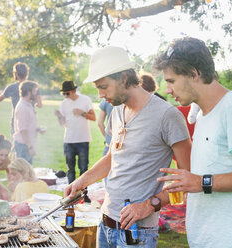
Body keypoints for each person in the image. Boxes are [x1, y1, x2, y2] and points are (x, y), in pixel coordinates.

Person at [64, 46, 191, 248]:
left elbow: (188, 176)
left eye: (103, 87)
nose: (100, 95)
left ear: (123, 78)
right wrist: (82, 180)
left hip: (137, 234)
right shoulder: (117, 110)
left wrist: (150, 205)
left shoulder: (167, 115)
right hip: (105, 223)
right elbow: (113, 156)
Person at [154, 37, 232, 247]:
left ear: (194, 73)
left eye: (171, 81)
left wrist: (202, 182)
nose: (167, 90)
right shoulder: (203, 114)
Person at [54, 80, 96, 203]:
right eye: (64, 94)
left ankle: (84, 195)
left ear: (73, 91)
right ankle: (70, 196)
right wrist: (59, 116)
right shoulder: (64, 103)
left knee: (83, 169)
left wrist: (82, 113)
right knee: (70, 170)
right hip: (68, 140)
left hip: (83, 139)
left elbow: (93, 117)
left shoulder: (85, 100)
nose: (66, 96)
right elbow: (62, 123)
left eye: (67, 93)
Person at [0, 62, 42, 136]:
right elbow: (40, 105)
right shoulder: (34, 86)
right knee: (30, 142)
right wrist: (32, 103)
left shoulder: (12, 87)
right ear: (26, 73)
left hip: (17, 120)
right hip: (30, 118)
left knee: (17, 141)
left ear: (16, 74)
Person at [13, 81, 45, 164]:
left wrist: (37, 129)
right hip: (24, 146)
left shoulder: (28, 104)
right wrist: (30, 147)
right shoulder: (23, 107)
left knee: (28, 172)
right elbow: (23, 130)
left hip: (26, 145)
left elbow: (27, 124)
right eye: (34, 91)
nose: (36, 93)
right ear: (28, 92)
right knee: (23, 173)